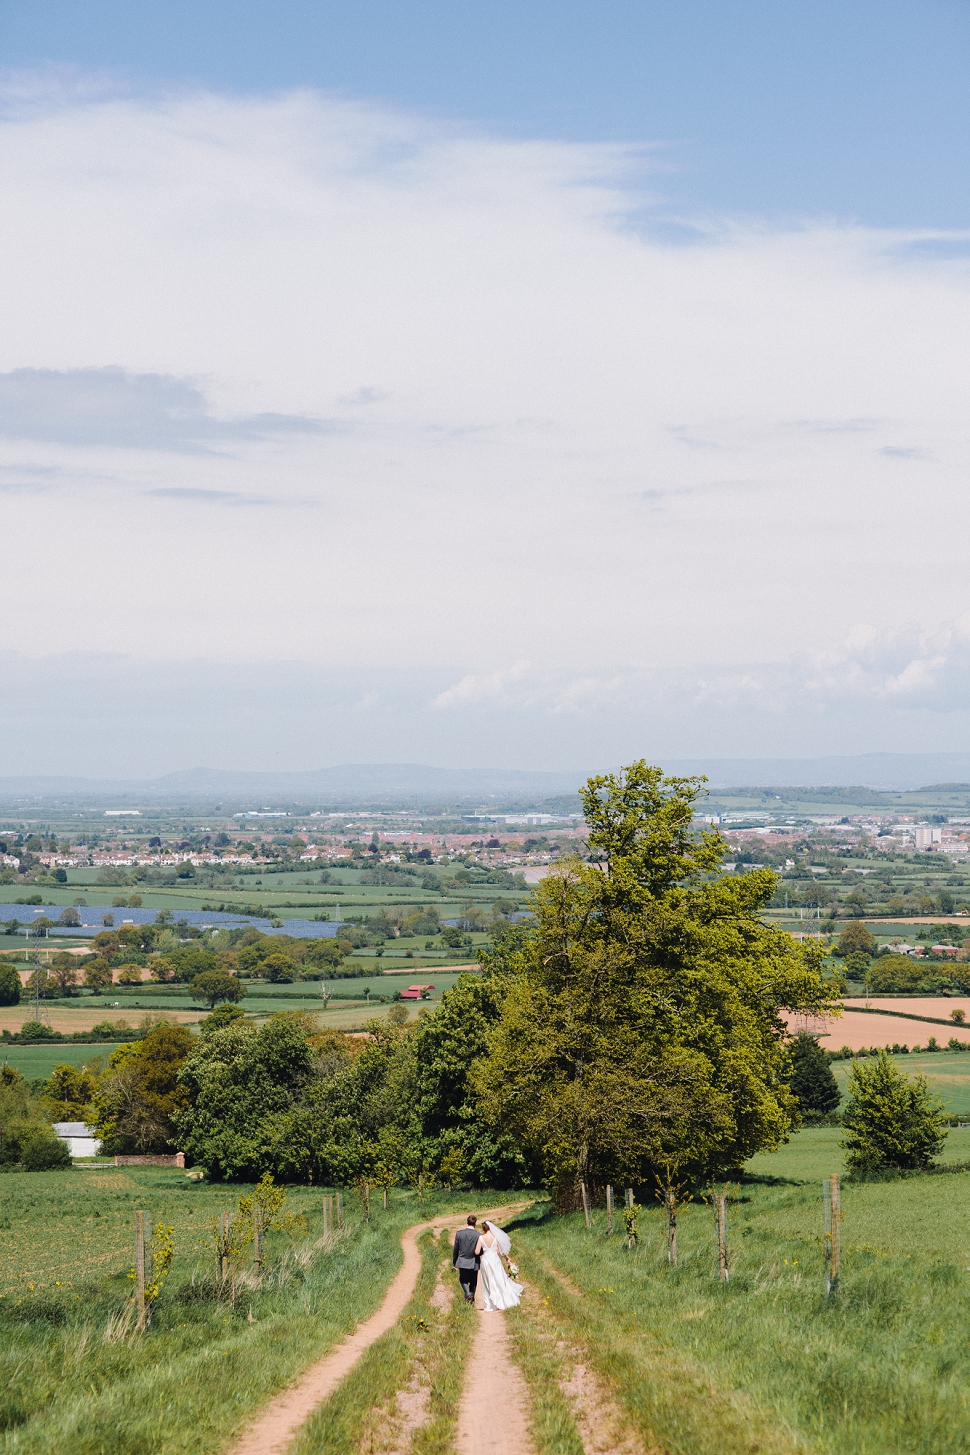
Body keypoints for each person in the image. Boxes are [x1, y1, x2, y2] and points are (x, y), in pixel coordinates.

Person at [476, 1219, 524, 1311]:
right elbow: (499, 1252)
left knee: (487, 1281)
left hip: (486, 1260)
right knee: (498, 1278)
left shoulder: (481, 1238)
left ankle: (490, 1304)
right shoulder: (495, 1237)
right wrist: (507, 1258)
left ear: (483, 1228)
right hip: (495, 1260)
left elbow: (477, 1251)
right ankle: (500, 1299)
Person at [452, 1214, 481, 1303]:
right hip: (474, 1262)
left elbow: (456, 1249)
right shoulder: (478, 1235)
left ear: (467, 1222)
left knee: (463, 1280)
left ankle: (467, 1293)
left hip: (463, 1261)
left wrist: (455, 1262)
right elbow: (481, 1250)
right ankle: (471, 1298)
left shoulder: (459, 1234)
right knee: (473, 1281)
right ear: (475, 1223)